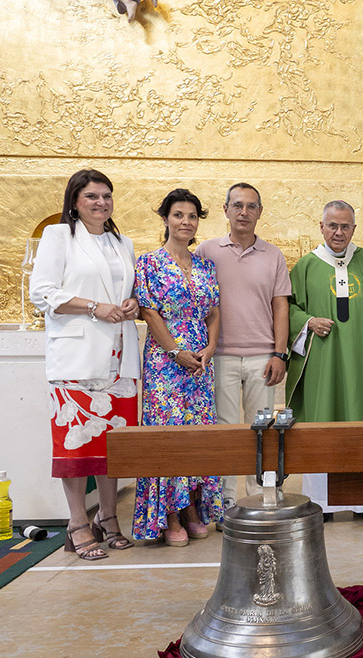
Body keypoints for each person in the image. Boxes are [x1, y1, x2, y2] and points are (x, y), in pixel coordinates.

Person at [29, 168, 140, 561]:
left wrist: (132, 305)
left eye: (106, 195)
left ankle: (109, 518)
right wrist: (95, 307)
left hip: (119, 359)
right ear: (75, 200)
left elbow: (128, 293)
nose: (101, 202)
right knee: (76, 446)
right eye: (92, 196)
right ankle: (77, 523)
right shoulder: (59, 237)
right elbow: (42, 292)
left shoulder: (121, 242)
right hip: (76, 356)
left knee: (112, 448)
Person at [286, 200, 363, 522]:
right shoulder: (305, 266)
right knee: (324, 424)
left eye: (345, 226)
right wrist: (308, 322)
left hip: (361, 361)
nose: (338, 232)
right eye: (332, 225)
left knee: (362, 424)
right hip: (324, 365)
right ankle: (322, 503)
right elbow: (288, 310)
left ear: (354, 229)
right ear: (321, 227)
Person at [132, 189, 223, 546]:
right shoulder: (149, 262)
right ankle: (169, 516)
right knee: (168, 436)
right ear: (166, 219)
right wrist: (174, 352)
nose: (185, 222)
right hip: (165, 362)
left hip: (201, 362)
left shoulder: (205, 265)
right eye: (178, 215)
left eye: (192, 216)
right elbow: (148, 311)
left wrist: (211, 346)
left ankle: (191, 509)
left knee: (197, 435)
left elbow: (213, 310)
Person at [195, 183, 291, 510]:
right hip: (219, 355)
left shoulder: (273, 255)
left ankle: (257, 499)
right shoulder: (207, 251)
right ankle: (225, 504)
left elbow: (281, 307)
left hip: (262, 357)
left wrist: (280, 353)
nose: (244, 212)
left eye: (251, 206)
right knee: (225, 431)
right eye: (237, 205)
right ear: (225, 210)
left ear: (260, 213)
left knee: (260, 429)